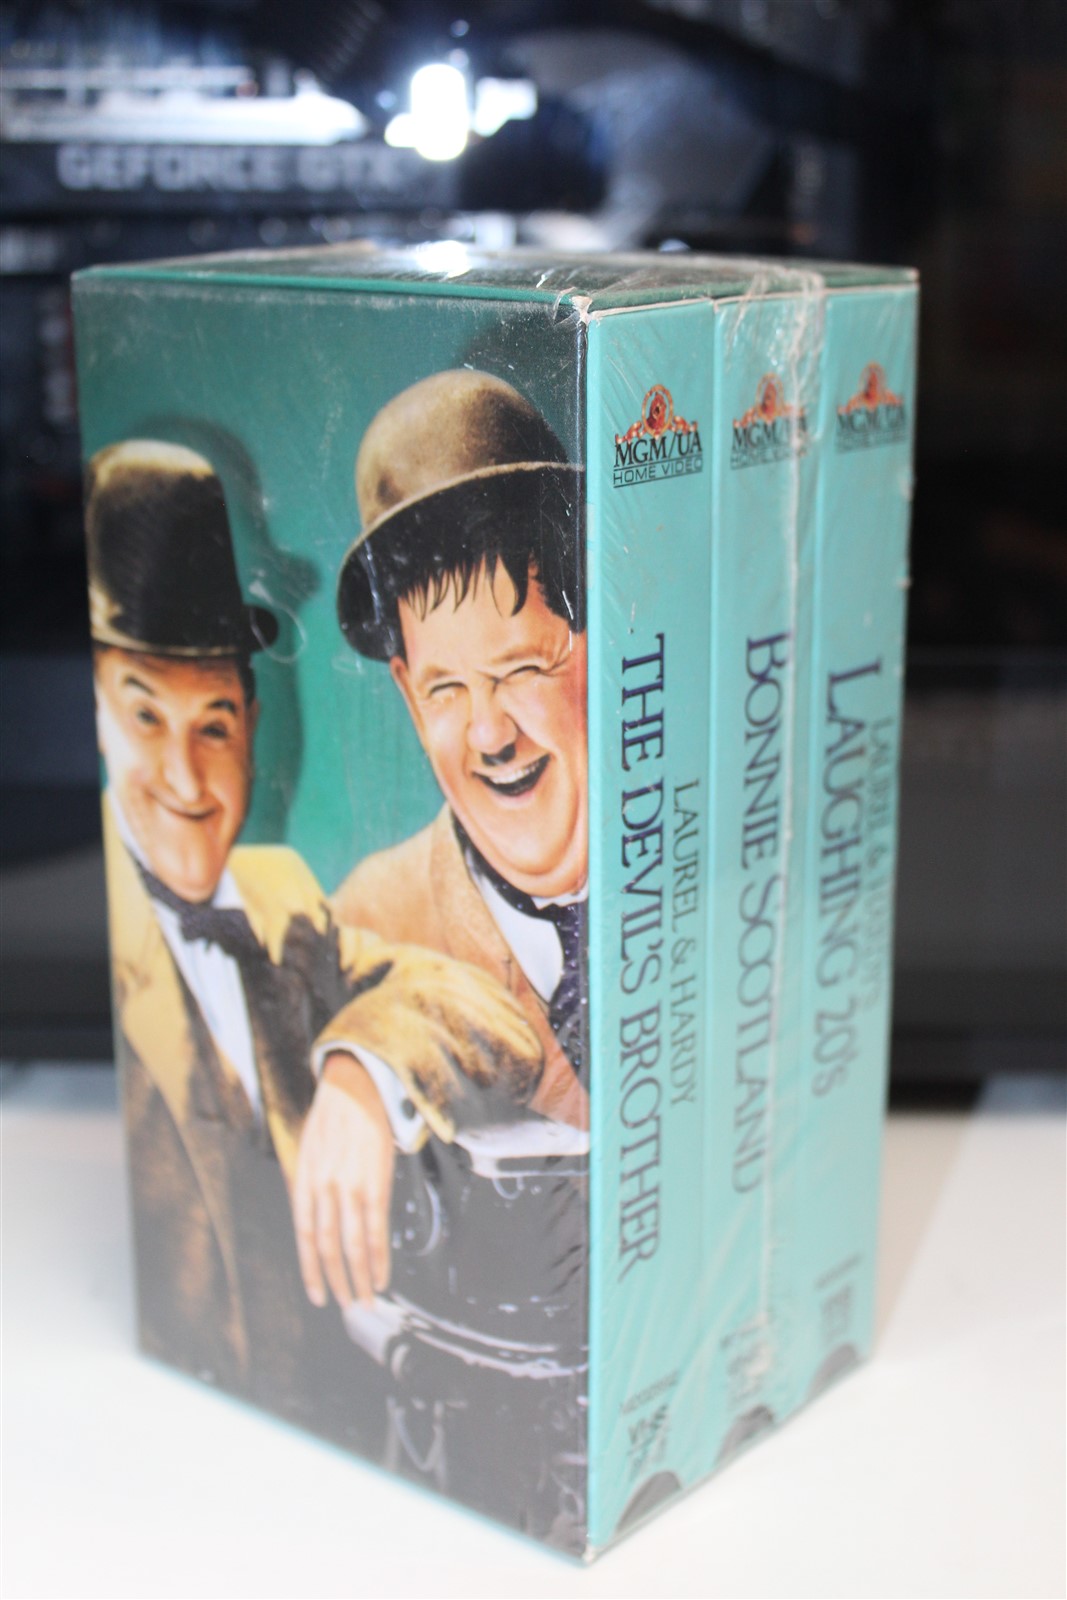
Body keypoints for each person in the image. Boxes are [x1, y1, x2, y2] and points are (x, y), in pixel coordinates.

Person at [87, 438, 545, 1445]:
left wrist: (360, 1075)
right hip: (180, 1439)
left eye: (214, 724)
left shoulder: (281, 898)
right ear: (97, 718)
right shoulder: (103, 939)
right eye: (145, 718)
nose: (188, 778)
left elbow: (485, 1014)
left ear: (253, 725)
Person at [331, 371, 590, 1547]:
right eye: (446, 688)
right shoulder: (373, 920)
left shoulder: (711, 853)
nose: (489, 733)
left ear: (593, 634)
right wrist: (357, 1071)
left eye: (522, 668)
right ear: (404, 691)